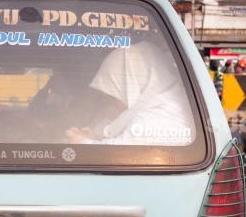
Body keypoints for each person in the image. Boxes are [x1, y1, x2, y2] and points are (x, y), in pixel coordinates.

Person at [65, 40, 196, 145]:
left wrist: (83, 142)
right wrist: (94, 140)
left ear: (132, 87)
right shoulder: (172, 102)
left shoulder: (156, 114)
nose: (113, 104)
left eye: (115, 96)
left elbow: (122, 153)